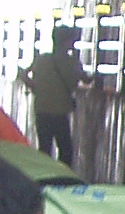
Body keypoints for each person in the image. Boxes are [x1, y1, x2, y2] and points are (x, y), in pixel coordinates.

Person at [18, 26, 84, 165]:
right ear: (67, 41)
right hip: (60, 112)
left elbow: (23, 75)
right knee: (65, 150)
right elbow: (85, 79)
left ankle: (45, 178)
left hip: (41, 110)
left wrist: (36, 88)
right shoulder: (72, 62)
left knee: (44, 148)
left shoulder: (42, 59)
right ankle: (63, 180)